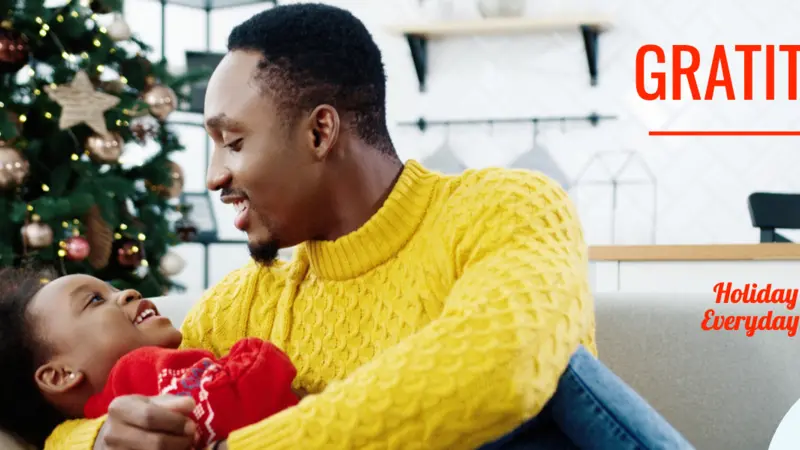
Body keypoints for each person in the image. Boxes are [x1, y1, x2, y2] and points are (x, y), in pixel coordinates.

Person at [45, 3, 691, 449]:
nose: (214, 176)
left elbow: (503, 369)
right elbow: (75, 422)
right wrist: (101, 437)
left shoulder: (505, 206)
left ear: (320, 131)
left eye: (232, 142)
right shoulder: (246, 304)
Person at [0, 269, 298, 449]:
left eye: (112, 288)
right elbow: (257, 384)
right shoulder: (145, 371)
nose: (129, 292)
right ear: (60, 375)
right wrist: (255, 353)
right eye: (95, 300)